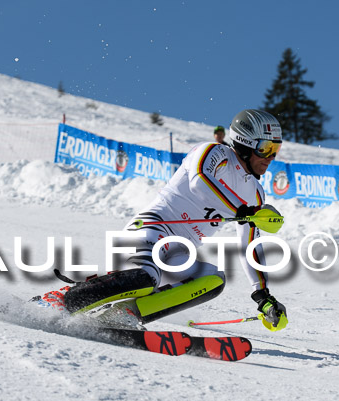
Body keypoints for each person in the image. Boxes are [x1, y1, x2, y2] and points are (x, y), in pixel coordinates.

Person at [62, 109, 288, 332]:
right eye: (265, 148)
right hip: (151, 229)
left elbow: (249, 245)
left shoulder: (255, 193)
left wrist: (263, 294)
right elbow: (199, 181)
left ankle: (123, 314)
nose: (270, 157)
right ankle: (63, 300)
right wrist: (242, 210)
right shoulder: (214, 152)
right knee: (145, 278)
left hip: (178, 253)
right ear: (245, 143)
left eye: (275, 149)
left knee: (213, 279)